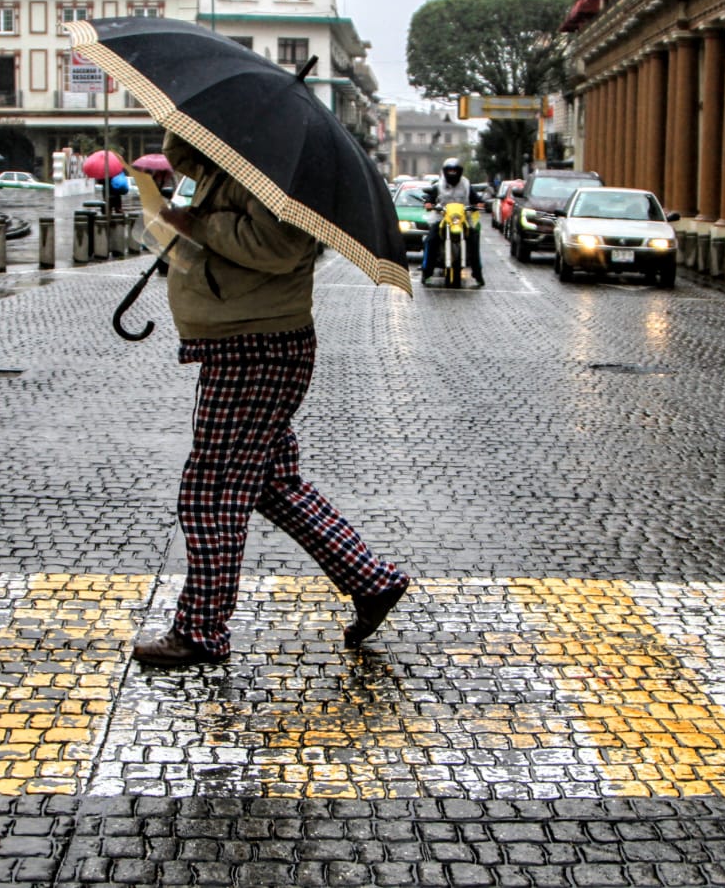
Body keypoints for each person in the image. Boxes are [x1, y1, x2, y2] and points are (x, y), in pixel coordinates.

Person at [131, 131, 410, 667]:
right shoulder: (233, 153)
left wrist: (197, 224)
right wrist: (187, 124)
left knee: (211, 491)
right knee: (271, 483)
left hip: (254, 346)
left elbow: (276, 247)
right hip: (247, 340)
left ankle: (200, 631)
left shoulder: (277, 174)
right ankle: (371, 581)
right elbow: (186, 157)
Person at [420, 157, 484, 286]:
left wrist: (479, 203)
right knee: (431, 240)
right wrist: (428, 203)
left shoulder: (466, 184)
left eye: (455, 170)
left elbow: (476, 199)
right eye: (450, 170)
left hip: (464, 219)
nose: (452, 173)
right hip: (442, 218)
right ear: (445, 171)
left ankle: (478, 274)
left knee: (474, 239)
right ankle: (426, 272)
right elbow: (430, 197)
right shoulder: (438, 185)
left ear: (459, 171)